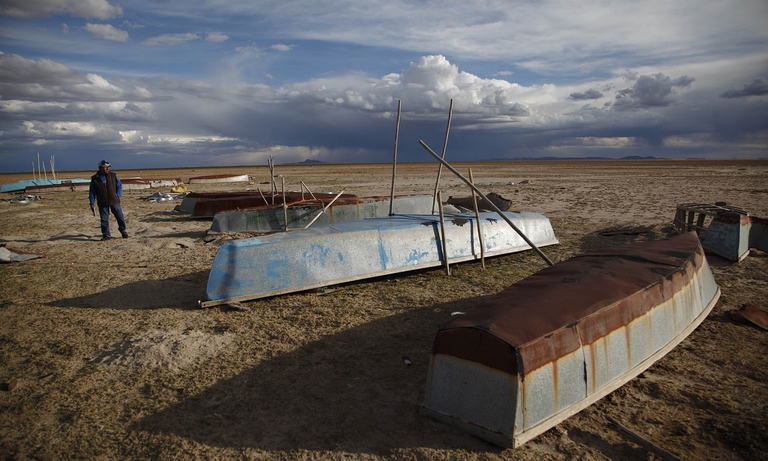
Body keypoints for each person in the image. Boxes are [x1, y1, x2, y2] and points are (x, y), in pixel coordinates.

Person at [89, 160, 128, 240]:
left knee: (119, 216)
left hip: (114, 200)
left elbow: (119, 186)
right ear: (100, 168)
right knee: (104, 219)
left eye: (108, 167)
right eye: (105, 167)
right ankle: (106, 234)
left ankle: (122, 230)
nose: (107, 169)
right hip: (102, 201)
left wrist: (118, 195)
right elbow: (92, 191)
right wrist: (92, 202)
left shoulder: (113, 175)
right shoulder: (95, 179)